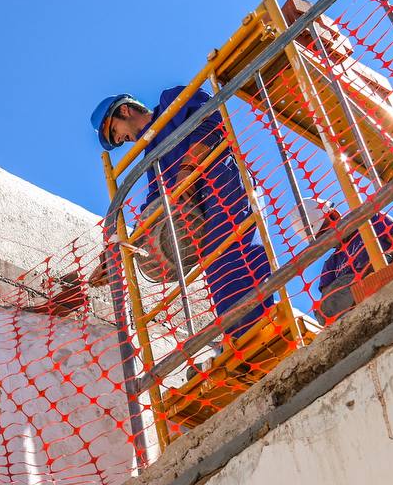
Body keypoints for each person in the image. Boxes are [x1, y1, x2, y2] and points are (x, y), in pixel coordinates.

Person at [91, 89, 274, 339]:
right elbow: (155, 205)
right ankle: (240, 338)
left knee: (235, 250)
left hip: (221, 178)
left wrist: (188, 166)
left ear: (124, 110)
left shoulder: (171, 101)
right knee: (216, 268)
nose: (121, 140)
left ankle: (263, 328)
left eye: (114, 131)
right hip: (200, 208)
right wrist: (114, 257)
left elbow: (210, 119)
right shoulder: (151, 154)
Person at [311, 204, 393, 322]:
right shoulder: (331, 264)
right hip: (366, 315)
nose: (326, 239)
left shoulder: (371, 221)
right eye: (320, 238)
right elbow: (326, 313)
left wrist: (376, 267)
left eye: (325, 231)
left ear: (334, 215)